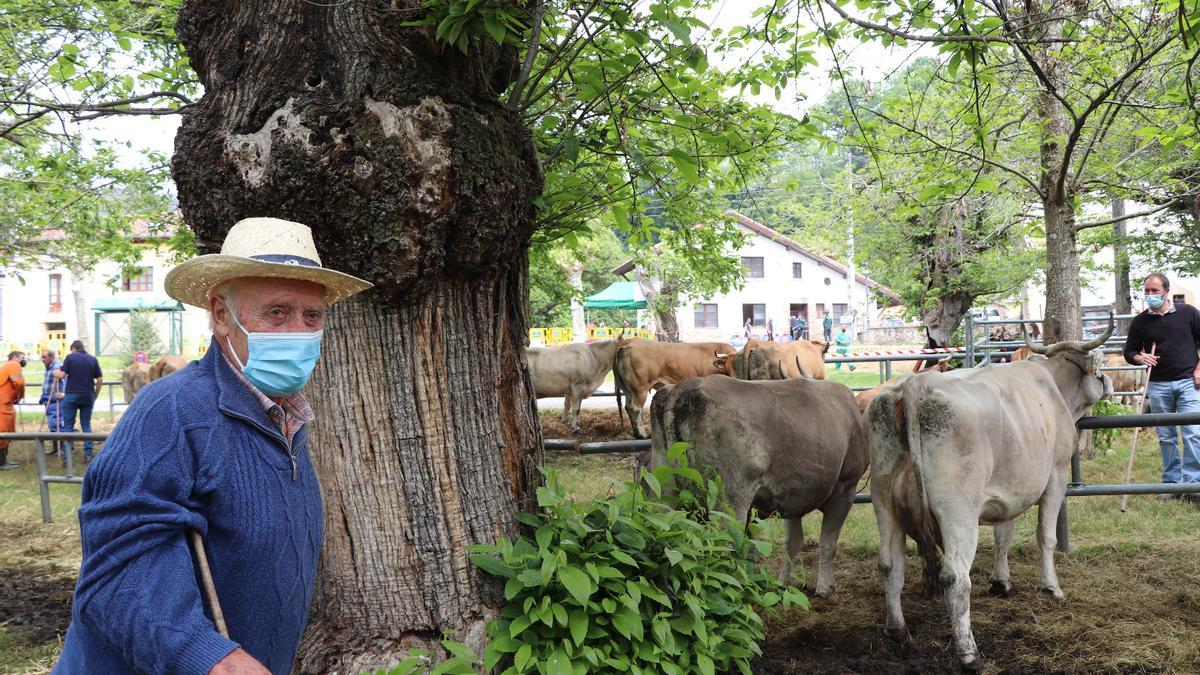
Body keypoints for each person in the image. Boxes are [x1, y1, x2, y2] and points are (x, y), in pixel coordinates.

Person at [53, 218, 372, 674]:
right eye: (277, 313)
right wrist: (208, 656)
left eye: (312, 316)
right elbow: (118, 573)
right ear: (221, 315)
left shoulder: (288, 417)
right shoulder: (172, 411)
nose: (298, 332)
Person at [1123, 272, 1200, 501]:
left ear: (1165, 291)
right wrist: (1140, 358)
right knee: (1166, 436)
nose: (1150, 295)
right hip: (1157, 384)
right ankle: (1172, 484)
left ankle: (1193, 485)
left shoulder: (1188, 313)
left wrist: (1199, 370)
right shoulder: (1140, 321)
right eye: (1146, 291)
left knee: (1193, 433)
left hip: (1189, 382)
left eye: (1154, 291)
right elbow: (1129, 351)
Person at [54, 340, 103, 462]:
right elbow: (100, 379)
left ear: (74, 348)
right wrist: (95, 394)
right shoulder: (93, 359)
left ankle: (66, 456)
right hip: (88, 395)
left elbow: (61, 375)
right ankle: (88, 453)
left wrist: (56, 372)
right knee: (86, 424)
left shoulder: (70, 357)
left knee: (68, 425)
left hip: (71, 395)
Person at [0, 351, 26, 470]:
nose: (23, 361)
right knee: (3, 432)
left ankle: (4, 461)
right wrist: (19, 396)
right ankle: (2, 463)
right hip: (3, 403)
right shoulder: (14, 364)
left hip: (6, 403)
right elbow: (19, 383)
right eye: (22, 358)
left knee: (7, 432)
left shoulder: (7, 366)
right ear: (15, 357)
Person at [38, 350, 66, 443]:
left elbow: (67, 379)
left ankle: (62, 446)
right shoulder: (48, 366)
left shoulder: (57, 367)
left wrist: (63, 393)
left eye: (44, 357)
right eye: (42, 357)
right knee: (52, 423)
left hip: (55, 399)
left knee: (55, 423)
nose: (42, 359)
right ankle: (56, 446)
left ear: (51, 357)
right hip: (47, 398)